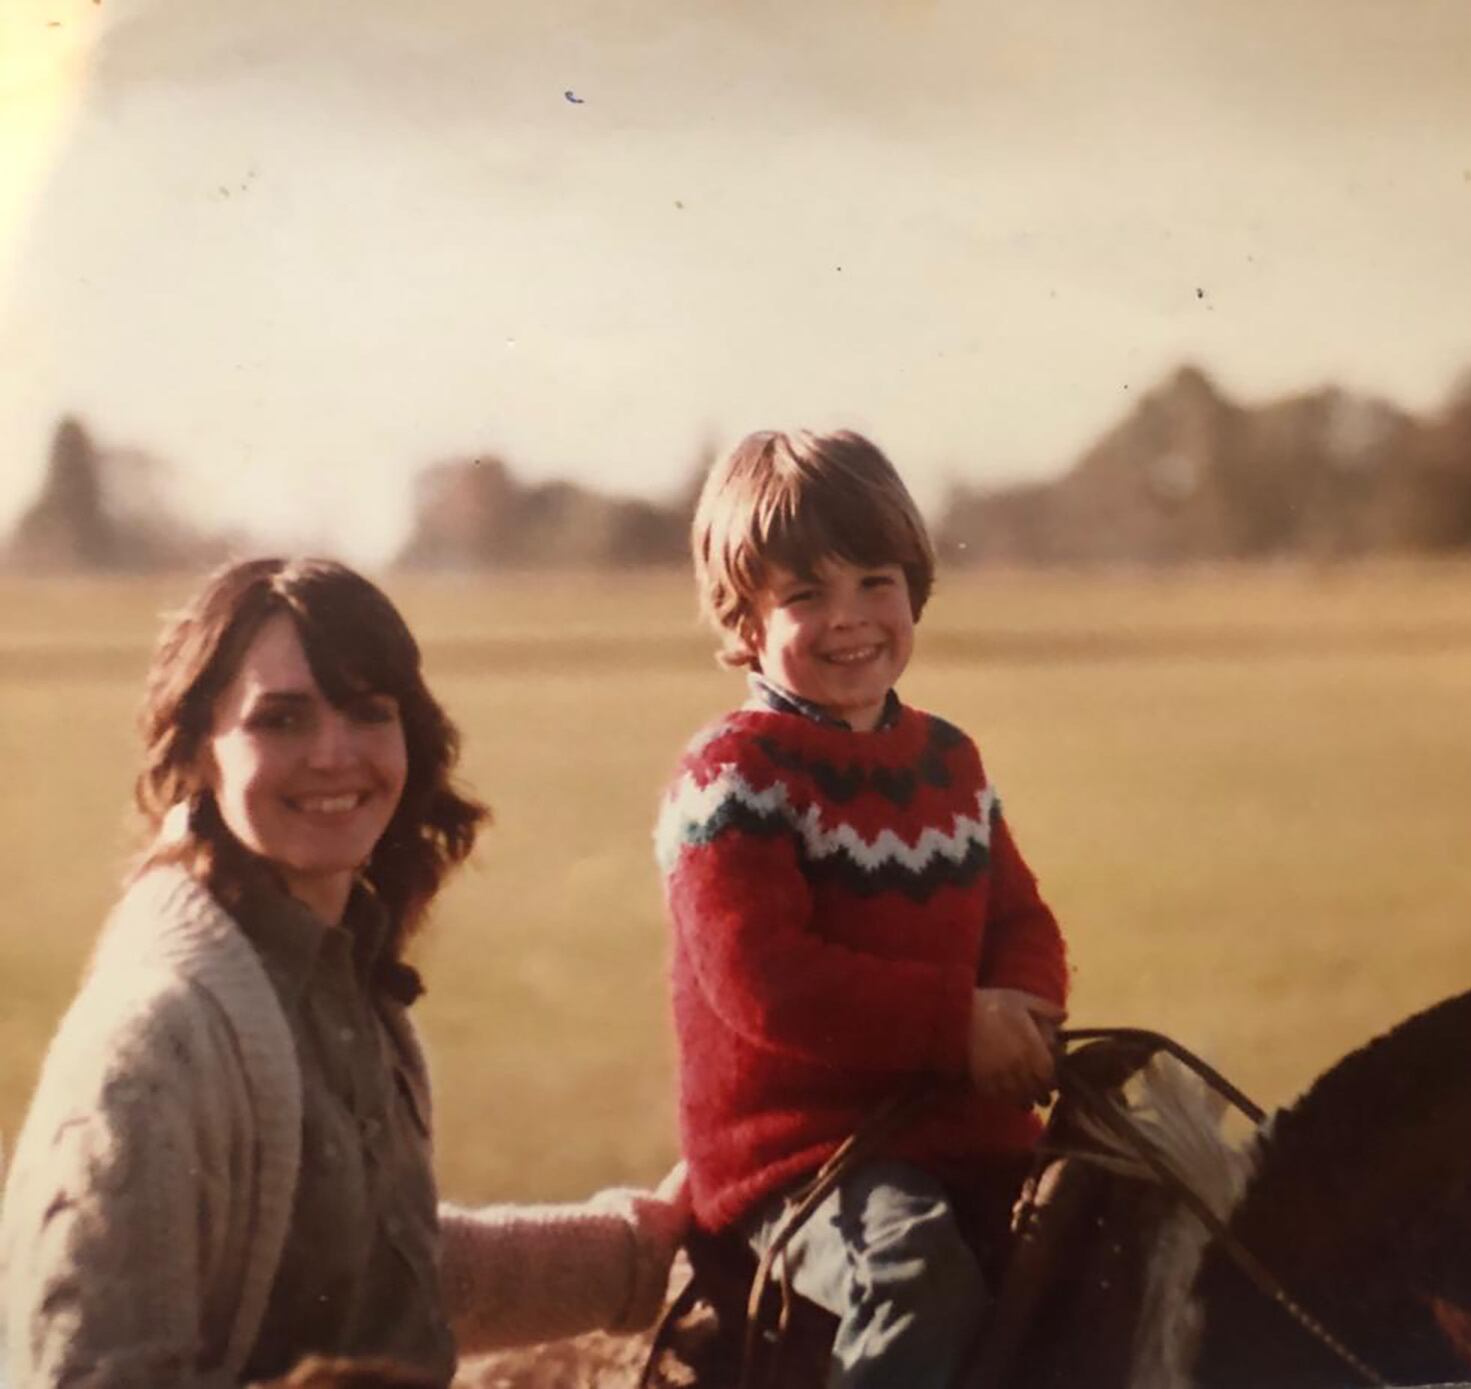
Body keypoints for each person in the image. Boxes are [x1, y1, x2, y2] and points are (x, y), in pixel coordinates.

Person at [1, 557, 686, 1388]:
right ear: (199, 749)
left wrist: (643, 1251)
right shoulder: (158, 1038)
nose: (334, 753)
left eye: (369, 711)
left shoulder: (338, 974)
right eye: (281, 719)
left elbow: (381, 1274)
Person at [654, 430, 1070, 1388]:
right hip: (802, 1152)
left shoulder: (949, 761)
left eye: (875, 581)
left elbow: (1020, 919)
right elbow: (766, 981)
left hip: (961, 1125)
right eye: (806, 593)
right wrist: (959, 1025)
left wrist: (1024, 1011)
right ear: (745, 618)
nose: (848, 618)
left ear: (913, 587)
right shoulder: (732, 775)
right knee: (914, 1278)